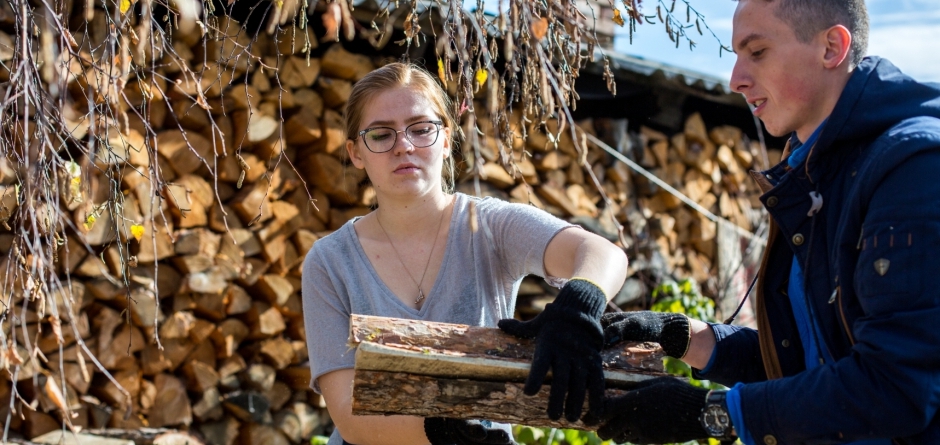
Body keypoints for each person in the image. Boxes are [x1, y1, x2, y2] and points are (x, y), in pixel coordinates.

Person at [592, 0, 940, 444]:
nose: (735, 79)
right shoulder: (816, 172)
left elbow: (896, 388)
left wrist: (713, 414)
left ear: (832, 47)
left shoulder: (914, 169)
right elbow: (808, 362)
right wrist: (683, 336)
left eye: (756, 52)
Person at [300, 62, 628, 445]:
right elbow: (350, 416)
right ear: (356, 153)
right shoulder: (329, 261)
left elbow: (602, 253)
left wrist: (579, 304)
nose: (403, 145)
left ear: (444, 138)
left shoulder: (489, 226)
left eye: (420, 129)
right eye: (381, 134)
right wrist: (451, 433)